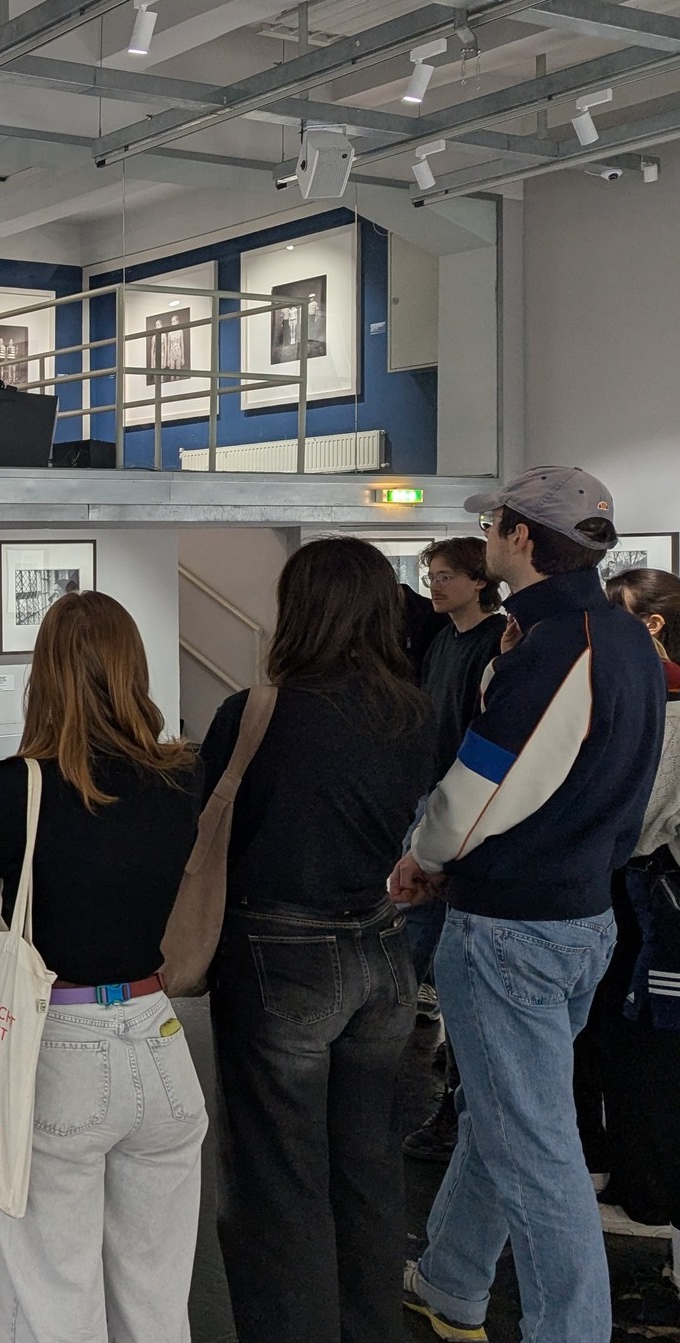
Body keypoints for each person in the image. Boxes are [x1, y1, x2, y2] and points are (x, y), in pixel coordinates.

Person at [390, 466, 665, 1343]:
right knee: (506, 1117)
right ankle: (449, 1281)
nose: (483, 539)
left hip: (510, 930)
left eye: (492, 525)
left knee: (536, 1150)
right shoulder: (623, 638)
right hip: (583, 920)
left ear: (518, 536)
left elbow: (476, 786)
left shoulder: (552, 648)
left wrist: (422, 857)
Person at [0, 591, 206, 1340]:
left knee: (50, 1298)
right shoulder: (182, 776)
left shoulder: (10, 786)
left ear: (44, 676)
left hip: (56, 1047)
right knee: (157, 1300)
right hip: (160, 1041)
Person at [204, 537, 436, 1343]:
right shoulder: (412, 712)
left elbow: (218, 830)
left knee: (277, 1176)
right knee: (367, 1165)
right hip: (379, 949)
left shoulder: (256, 712)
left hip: (279, 955)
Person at [405, 536, 509, 1161]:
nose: (436, 586)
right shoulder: (444, 641)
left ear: (479, 581)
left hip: (464, 811)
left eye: (447, 576)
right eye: (432, 576)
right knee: (417, 937)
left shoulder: (496, 643)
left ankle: (456, 1105)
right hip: (432, 800)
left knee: (448, 953)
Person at [586, 567, 680, 1235]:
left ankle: (646, 1196)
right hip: (646, 897)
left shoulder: (666, 705)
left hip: (656, 901)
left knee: (645, 1042)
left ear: (651, 624)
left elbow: (642, 818)